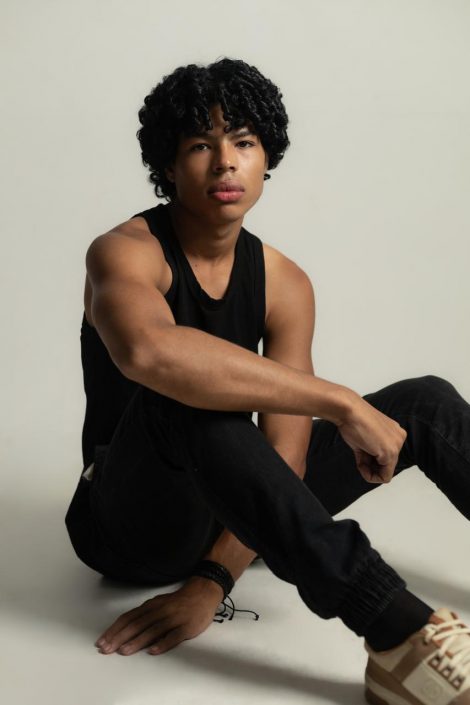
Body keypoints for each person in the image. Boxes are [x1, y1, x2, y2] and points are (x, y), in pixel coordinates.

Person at [65, 57, 470, 704]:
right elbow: (149, 352)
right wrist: (339, 401)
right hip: (133, 521)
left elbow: (287, 455)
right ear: (169, 163)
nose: (226, 162)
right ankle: (399, 635)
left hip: (243, 505)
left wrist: (214, 578)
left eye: (244, 142)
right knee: (184, 393)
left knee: (424, 402)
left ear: (266, 157)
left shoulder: (284, 282)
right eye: (201, 145)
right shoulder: (124, 252)